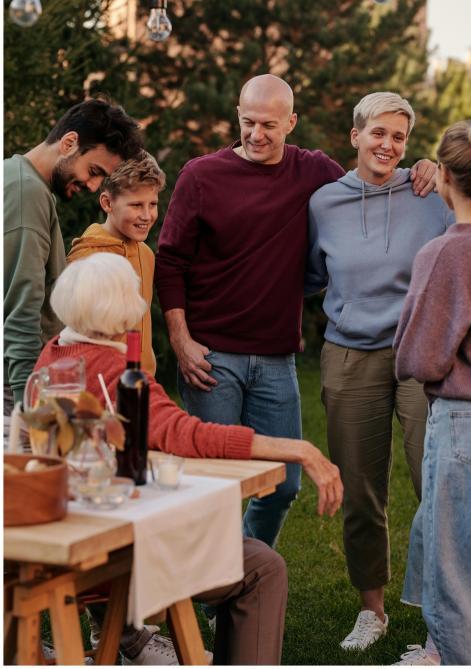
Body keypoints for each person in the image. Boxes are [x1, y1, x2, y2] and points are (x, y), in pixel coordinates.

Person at [154, 74, 436, 550]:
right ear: (238, 117)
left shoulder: (313, 172)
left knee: (282, 487)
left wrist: (426, 165)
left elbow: (369, 177)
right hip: (210, 356)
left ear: (291, 122)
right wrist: (181, 341)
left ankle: (243, 574)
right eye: (248, 122)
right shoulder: (201, 175)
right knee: (216, 485)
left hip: (276, 359)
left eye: (269, 124)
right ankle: (215, 593)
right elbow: (171, 262)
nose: (257, 134)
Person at [35, 252, 343, 666]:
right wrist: (297, 448)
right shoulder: (113, 370)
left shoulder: (53, 356)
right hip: (115, 552)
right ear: (120, 307)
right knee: (263, 568)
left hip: (71, 536)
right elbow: (187, 435)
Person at [305, 92, 452, 651]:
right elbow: (312, 276)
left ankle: (452, 605)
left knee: (436, 481)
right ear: (355, 136)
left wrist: (436, 169)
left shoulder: (430, 193)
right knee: (362, 489)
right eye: (378, 134)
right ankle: (373, 611)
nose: (388, 145)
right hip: (349, 355)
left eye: (399, 137)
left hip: (422, 355)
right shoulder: (323, 203)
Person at [393, 119, 471, 666]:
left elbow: (419, 357)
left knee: (456, 569)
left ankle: (455, 654)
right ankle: (437, 650)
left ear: (443, 176)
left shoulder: (445, 253)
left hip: (462, 418)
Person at [3, 98, 143, 410]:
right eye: (93, 171)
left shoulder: (15, 177)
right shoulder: (28, 195)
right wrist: (32, 408)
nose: (93, 186)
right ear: (69, 143)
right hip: (16, 387)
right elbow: (21, 310)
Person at [67, 150, 165, 375]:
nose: (147, 215)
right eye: (136, 205)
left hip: (143, 380)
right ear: (107, 203)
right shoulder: (87, 259)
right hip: (102, 383)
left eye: (153, 204)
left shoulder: (146, 254)